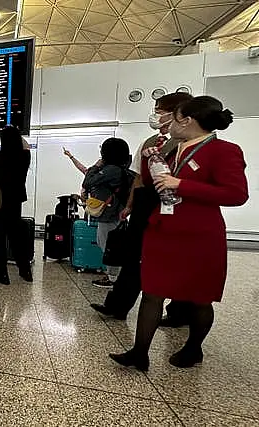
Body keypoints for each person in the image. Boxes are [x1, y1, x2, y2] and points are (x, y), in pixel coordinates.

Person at [110, 96, 248, 371]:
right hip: (164, 230)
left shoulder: (225, 151)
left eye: (172, 118)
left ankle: (193, 348)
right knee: (152, 291)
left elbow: (236, 194)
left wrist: (182, 184)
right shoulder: (174, 150)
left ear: (187, 121)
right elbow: (154, 185)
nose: (166, 123)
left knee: (199, 297)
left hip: (199, 235)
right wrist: (153, 162)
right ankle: (139, 352)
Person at [91, 93, 195, 323]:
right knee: (133, 257)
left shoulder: (188, 142)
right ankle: (117, 305)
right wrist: (129, 205)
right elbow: (138, 177)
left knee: (176, 260)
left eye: (159, 111)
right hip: (145, 202)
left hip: (174, 206)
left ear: (178, 113)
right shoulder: (149, 142)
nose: (155, 115)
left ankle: (180, 311)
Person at [0, 126, 32, 285]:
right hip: (15, 203)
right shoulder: (24, 157)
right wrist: (16, 134)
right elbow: (26, 145)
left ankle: (2, 274)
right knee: (16, 237)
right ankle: (25, 271)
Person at [81, 138, 131, 288]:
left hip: (110, 213)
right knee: (109, 243)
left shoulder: (111, 170)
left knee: (109, 245)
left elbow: (88, 182)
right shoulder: (122, 168)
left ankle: (113, 277)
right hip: (115, 211)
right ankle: (113, 275)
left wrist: (96, 166)